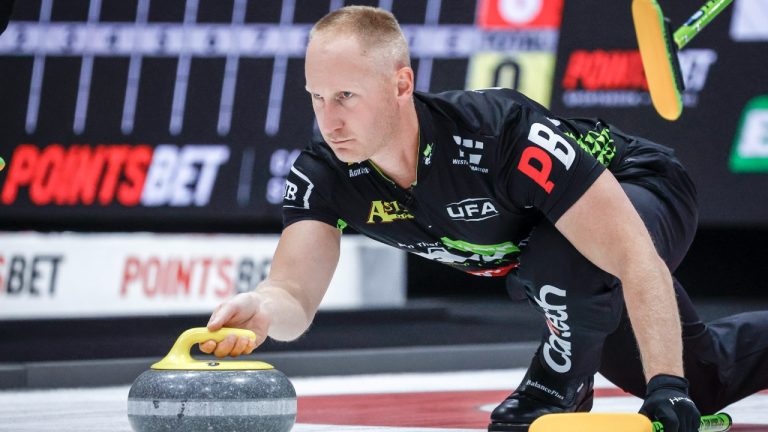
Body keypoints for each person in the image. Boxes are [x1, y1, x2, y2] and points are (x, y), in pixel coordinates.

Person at [200, 6, 768, 432]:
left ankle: (558, 382)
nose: (330, 119)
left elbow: (632, 257)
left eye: (346, 95)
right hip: (560, 266)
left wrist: (665, 391)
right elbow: (295, 295)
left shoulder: (496, 134)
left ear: (402, 84)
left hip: (640, 187)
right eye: (316, 98)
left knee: (563, 264)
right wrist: (264, 310)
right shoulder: (324, 175)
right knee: (705, 378)